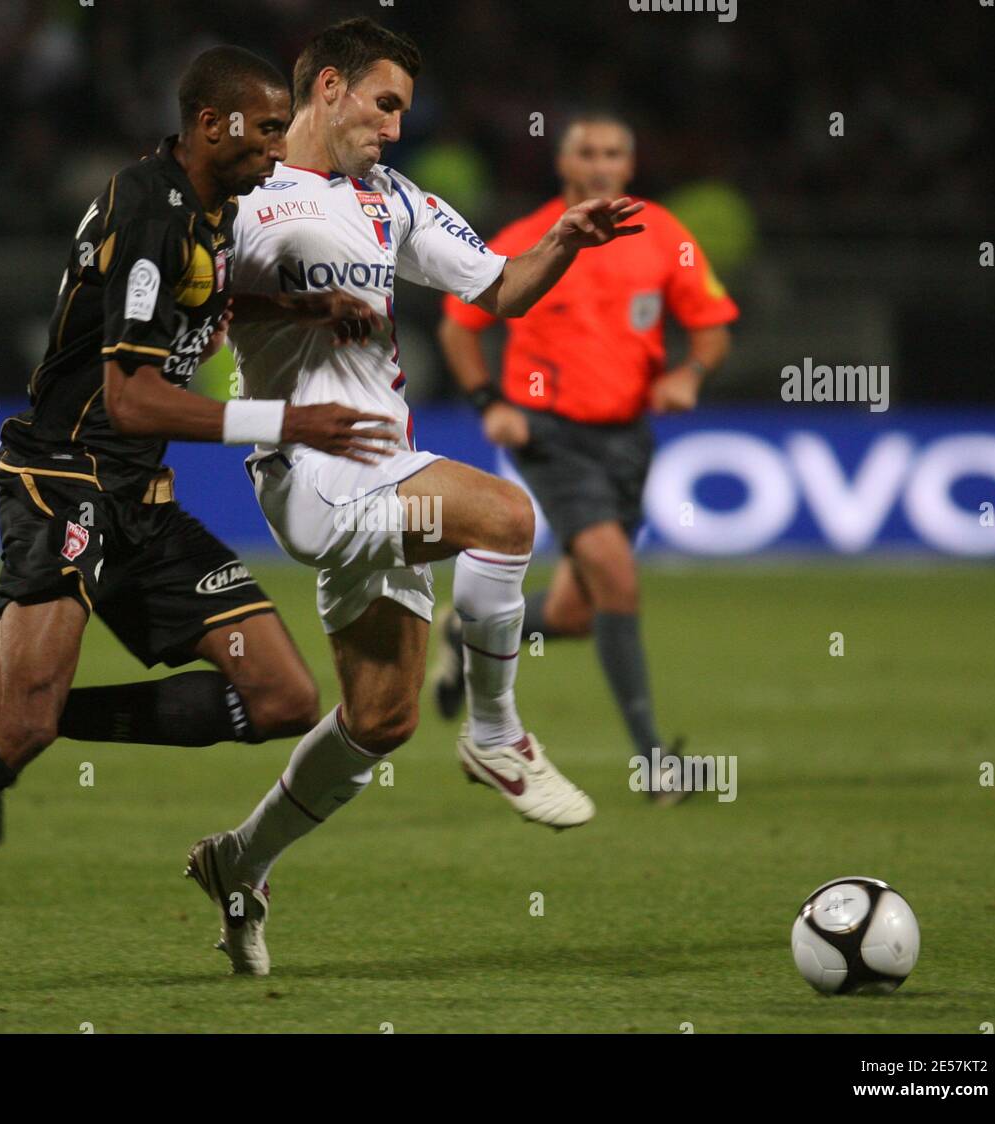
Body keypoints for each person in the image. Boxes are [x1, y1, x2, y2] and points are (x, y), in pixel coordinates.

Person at [0, 45, 394, 999]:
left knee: (282, 700)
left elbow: (204, 295)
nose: (279, 148)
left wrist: (299, 303)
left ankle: (25, 713)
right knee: (15, 737)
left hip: (138, 498)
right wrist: (290, 419)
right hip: (63, 482)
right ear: (216, 123)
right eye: (268, 129)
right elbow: (134, 397)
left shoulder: (206, 206)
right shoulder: (148, 211)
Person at [182, 19, 647, 977]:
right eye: (383, 104)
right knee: (506, 517)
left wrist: (563, 239)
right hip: (311, 472)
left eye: (403, 110)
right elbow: (199, 301)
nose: (396, 127)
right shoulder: (246, 192)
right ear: (328, 90)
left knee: (381, 717)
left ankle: (240, 862)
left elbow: (503, 291)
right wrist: (301, 306)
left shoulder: (393, 202)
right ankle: (493, 733)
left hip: (386, 465)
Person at [433, 113, 739, 805]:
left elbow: (714, 325)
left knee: (578, 612)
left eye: (613, 153)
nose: (600, 164)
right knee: (616, 575)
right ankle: (657, 764)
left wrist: (690, 374)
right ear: (562, 164)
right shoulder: (526, 240)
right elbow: (460, 326)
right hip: (552, 437)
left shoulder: (664, 236)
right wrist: (490, 403)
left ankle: (464, 627)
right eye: (586, 152)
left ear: (629, 167)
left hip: (629, 438)